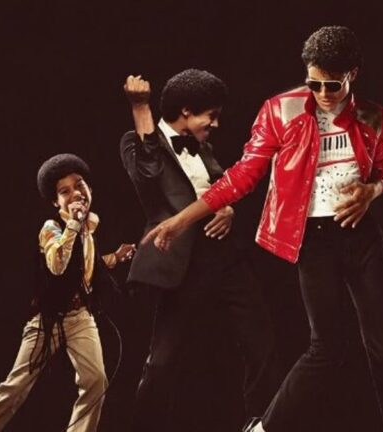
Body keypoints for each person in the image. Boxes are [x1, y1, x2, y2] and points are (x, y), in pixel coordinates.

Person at [142, 27, 383, 432]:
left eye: (332, 85)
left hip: (362, 238)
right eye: (313, 83)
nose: (322, 93)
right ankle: (264, 428)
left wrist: (371, 191)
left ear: (352, 74)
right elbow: (243, 175)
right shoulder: (280, 111)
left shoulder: (376, 117)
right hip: (313, 241)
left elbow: (382, 171)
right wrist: (182, 219)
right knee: (326, 348)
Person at [119, 69, 277, 431]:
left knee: (260, 341)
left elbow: (223, 186)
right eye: (212, 115)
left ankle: (261, 424)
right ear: (186, 111)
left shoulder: (202, 146)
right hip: (179, 259)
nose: (216, 123)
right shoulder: (136, 141)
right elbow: (147, 172)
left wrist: (228, 209)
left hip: (224, 257)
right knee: (162, 361)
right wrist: (141, 107)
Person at [0, 153, 136, 432]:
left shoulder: (88, 232)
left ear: (90, 189)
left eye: (79, 185)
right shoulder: (52, 228)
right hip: (48, 319)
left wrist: (115, 256)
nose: (75, 193)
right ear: (56, 202)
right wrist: (74, 224)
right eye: (64, 191)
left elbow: (86, 267)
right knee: (17, 384)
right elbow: (57, 265)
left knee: (95, 380)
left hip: (80, 317)